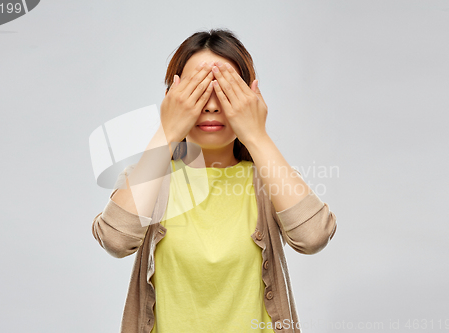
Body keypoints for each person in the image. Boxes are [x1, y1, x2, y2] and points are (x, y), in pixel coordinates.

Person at [92, 28, 337, 333]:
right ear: (172, 98)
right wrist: (167, 133)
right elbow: (115, 241)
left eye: (225, 90)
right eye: (197, 90)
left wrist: (257, 135)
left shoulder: (269, 182)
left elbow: (314, 237)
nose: (210, 105)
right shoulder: (150, 179)